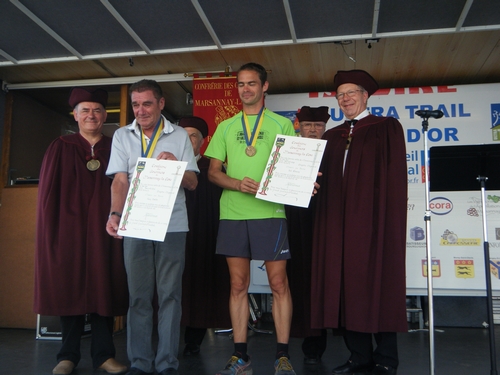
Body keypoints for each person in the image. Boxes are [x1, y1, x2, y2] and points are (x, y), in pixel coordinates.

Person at [310, 70, 408, 375]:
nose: (345, 99)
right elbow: (321, 178)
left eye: (351, 92)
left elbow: (394, 179)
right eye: (340, 95)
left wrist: (387, 219)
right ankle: (359, 356)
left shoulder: (386, 127)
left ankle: (386, 358)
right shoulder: (330, 136)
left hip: (372, 220)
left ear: (366, 96)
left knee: (377, 281)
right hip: (336, 222)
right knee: (344, 284)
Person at [204, 62, 297, 375]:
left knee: (278, 283)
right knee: (238, 284)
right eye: (241, 84)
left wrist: (301, 180)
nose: (246, 89)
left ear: (264, 86)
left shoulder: (281, 125)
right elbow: (213, 172)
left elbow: (291, 168)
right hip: (232, 213)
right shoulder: (226, 127)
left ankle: (282, 355)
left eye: (252, 84)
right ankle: (240, 355)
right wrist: (236, 183)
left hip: (270, 213)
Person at [105, 79, 199, 375]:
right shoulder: (122, 135)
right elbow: (120, 180)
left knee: (170, 294)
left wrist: (177, 166)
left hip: (172, 225)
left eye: (147, 103)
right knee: (139, 297)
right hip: (135, 224)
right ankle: (140, 363)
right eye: (135, 104)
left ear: (160, 104)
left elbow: (194, 183)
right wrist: (115, 213)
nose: (141, 110)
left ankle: (167, 363)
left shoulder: (180, 135)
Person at [34, 87, 129, 375]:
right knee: (70, 288)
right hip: (69, 231)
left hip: (108, 229)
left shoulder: (116, 147)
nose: (91, 115)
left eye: (97, 110)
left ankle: (104, 355)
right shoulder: (60, 146)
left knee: (105, 287)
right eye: (85, 110)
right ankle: (68, 355)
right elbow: (48, 196)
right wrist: (53, 232)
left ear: (105, 115)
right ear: (74, 115)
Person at [178, 116, 231, 356]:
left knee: (199, 285)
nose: (188, 140)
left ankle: (193, 340)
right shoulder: (164, 164)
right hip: (171, 238)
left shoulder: (212, 169)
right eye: (184, 134)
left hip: (203, 237)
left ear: (203, 141)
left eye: (193, 135)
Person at [285, 106, 329, 365]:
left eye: (318, 125)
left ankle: (322, 339)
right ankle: (303, 342)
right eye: (308, 125)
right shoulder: (288, 151)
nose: (313, 129)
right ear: (298, 126)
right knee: (296, 281)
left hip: (326, 222)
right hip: (294, 223)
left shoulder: (333, 152)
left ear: (325, 128)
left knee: (324, 282)